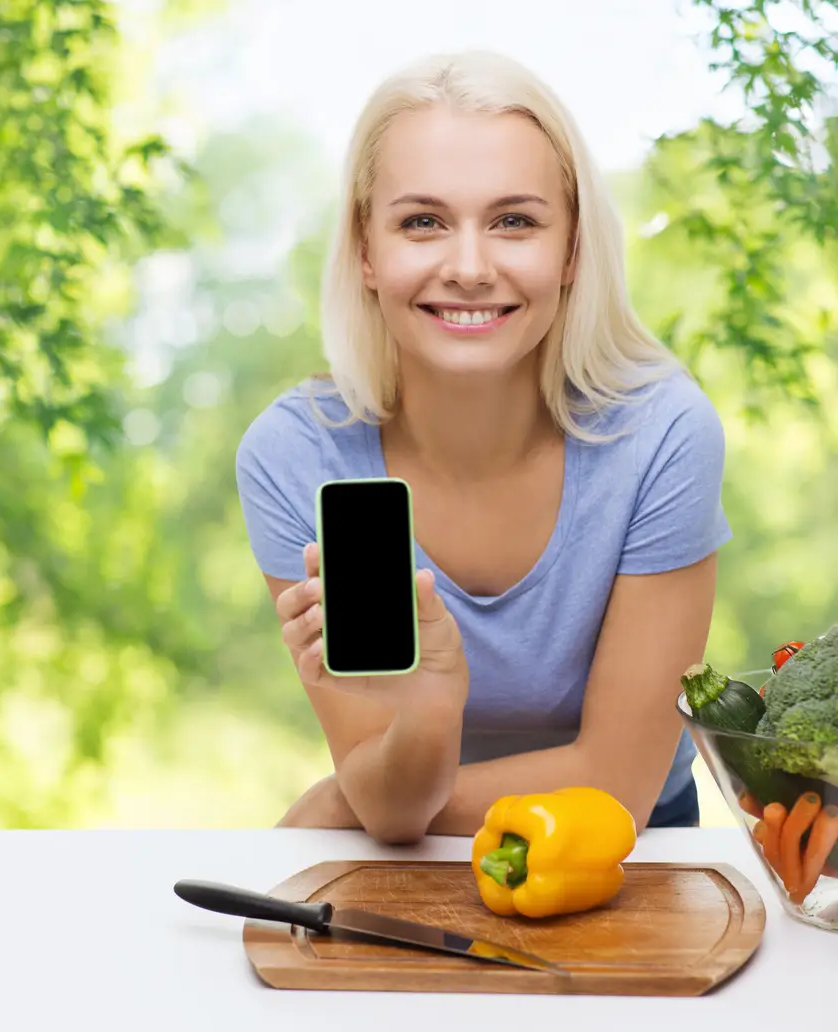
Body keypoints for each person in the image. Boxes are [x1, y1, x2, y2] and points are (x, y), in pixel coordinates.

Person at [234, 50, 731, 844]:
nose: (468, 267)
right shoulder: (296, 457)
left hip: (633, 856)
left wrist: (341, 806)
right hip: (403, 854)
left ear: (572, 251)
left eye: (515, 221)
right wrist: (430, 701)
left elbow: (616, 789)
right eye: (422, 222)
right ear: (366, 249)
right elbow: (390, 805)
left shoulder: (662, 436)